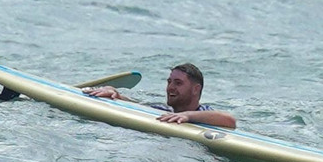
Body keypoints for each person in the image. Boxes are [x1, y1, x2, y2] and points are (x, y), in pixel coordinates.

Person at [84, 63, 236, 128]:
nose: (170, 87)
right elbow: (135, 104)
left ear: (196, 89)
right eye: (169, 81)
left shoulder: (204, 113)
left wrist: (189, 116)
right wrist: (113, 92)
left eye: (178, 83)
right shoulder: (163, 110)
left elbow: (229, 120)